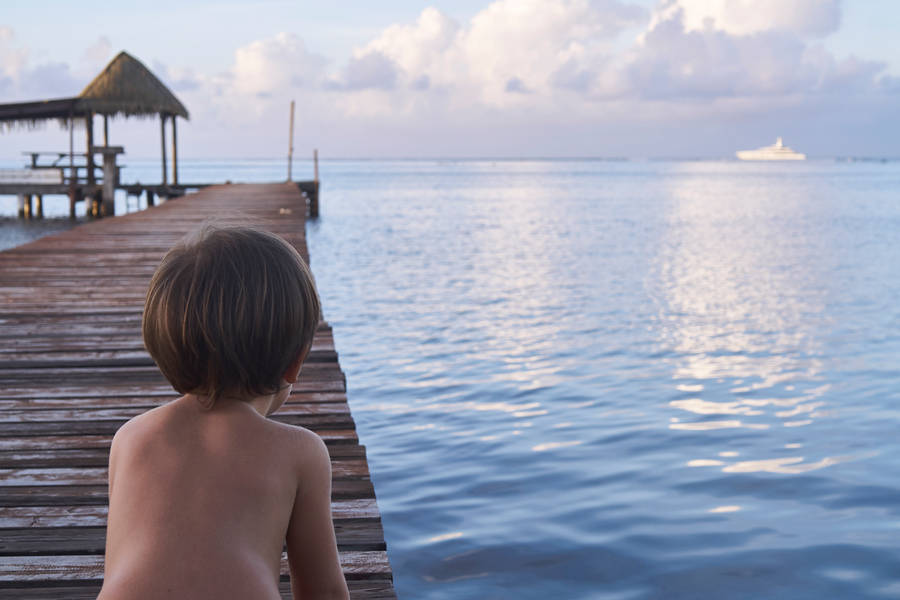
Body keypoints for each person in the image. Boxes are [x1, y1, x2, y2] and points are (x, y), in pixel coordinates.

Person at [98, 226, 349, 600]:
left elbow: (118, 569)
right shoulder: (301, 453)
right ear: (295, 363)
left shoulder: (130, 438)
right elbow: (323, 592)